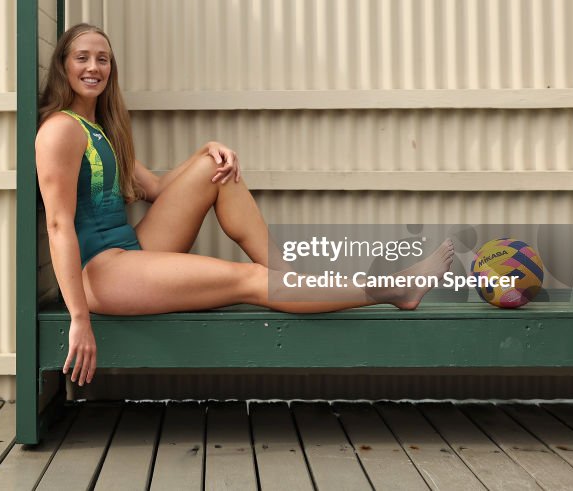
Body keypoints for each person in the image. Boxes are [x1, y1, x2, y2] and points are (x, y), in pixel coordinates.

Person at [35, 23, 455, 387]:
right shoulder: (60, 132)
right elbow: (58, 226)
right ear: (63, 66)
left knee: (217, 171)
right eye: (82, 58)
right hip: (102, 274)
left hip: (130, 253)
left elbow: (159, 190)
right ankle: (393, 287)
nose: (94, 68)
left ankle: (289, 282)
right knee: (250, 281)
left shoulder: (99, 129)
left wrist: (206, 151)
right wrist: (79, 318)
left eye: (103, 59)